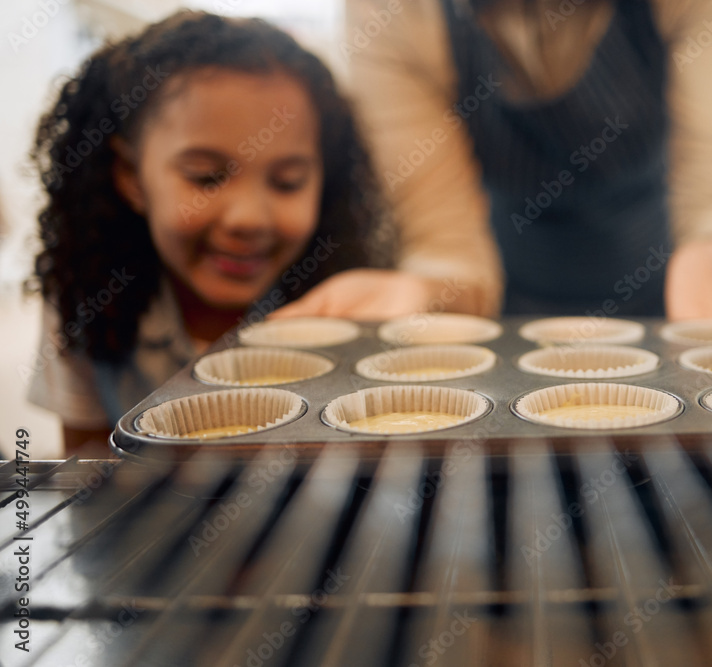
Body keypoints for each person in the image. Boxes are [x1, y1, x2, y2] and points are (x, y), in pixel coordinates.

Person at [24, 11, 423, 456]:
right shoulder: (85, 298)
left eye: (287, 182)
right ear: (132, 176)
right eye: (206, 177)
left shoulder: (349, 304)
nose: (248, 219)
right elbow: (88, 474)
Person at [312, 0, 712, 325]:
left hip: (667, 283)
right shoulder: (391, 13)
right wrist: (426, 292)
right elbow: (446, 241)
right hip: (506, 289)